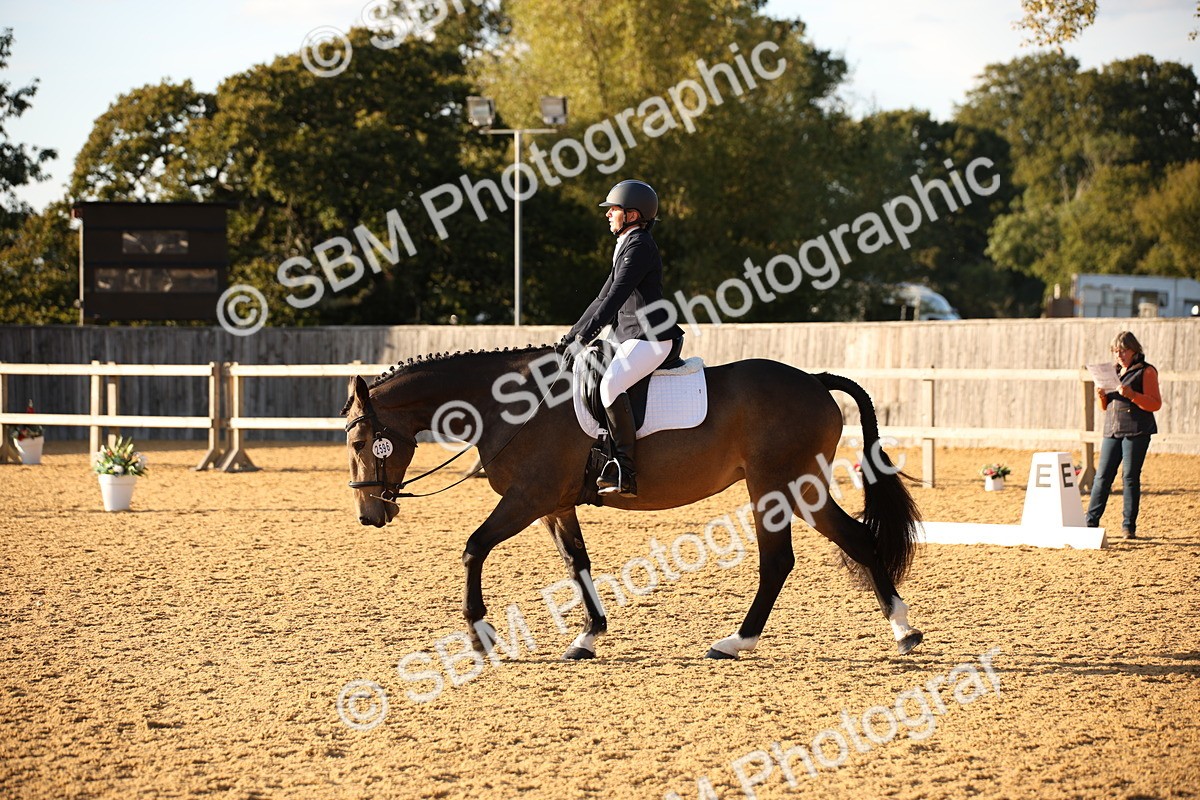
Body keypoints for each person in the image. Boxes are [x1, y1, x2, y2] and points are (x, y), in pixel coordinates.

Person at [559, 179, 684, 498]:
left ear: (631, 215)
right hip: (630, 336)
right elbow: (601, 299)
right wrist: (572, 335)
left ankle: (624, 469)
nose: (608, 214)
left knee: (610, 384)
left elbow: (616, 297)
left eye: (613, 209)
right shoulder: (627, 244)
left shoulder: (640, 245)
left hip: (651, 338)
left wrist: (585, 336)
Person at [1086, 331, 1162, 539]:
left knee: (1129, 477)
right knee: (1102, 477)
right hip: (1112, 428)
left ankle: (1129, 526)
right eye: (1115, 351)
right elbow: (1106, 407)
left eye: (1123, 350)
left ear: (1134, 350)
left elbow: (1155, 403)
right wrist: (1101, 396)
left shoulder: (1146, 371)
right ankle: (1090, 522)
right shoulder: (1113, 372)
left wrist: (1133, 395)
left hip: (1137, 430)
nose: (1119, 354)